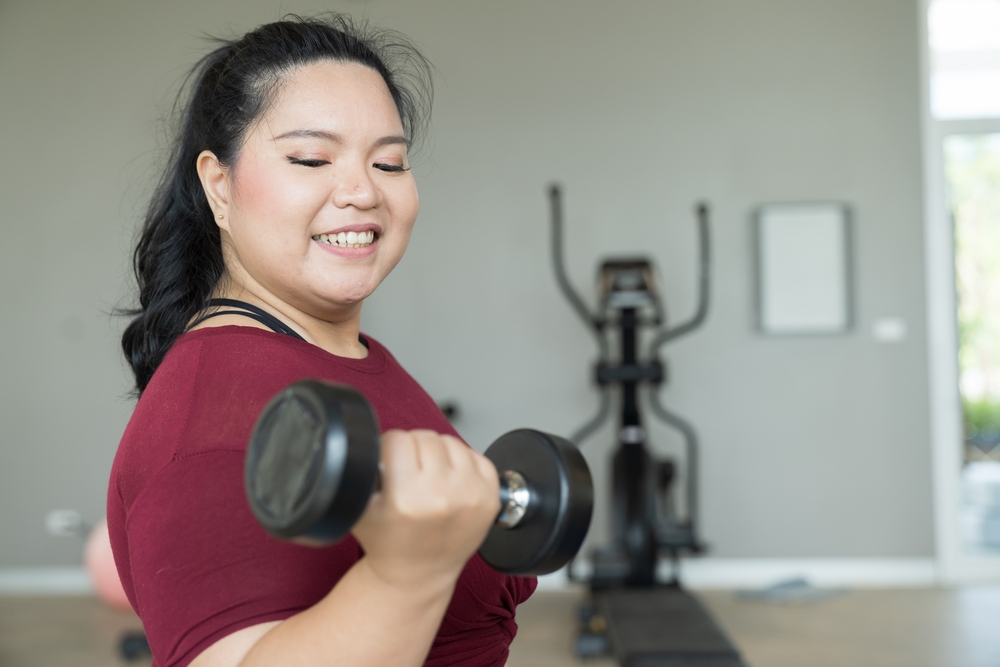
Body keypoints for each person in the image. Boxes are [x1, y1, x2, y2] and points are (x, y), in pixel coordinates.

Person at [108, 15, 535, 667]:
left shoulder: (346, 359)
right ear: (218, 184)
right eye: (311, 158)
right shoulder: (214, 420)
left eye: (388, 161)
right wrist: (406, 572)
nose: (363, 190)